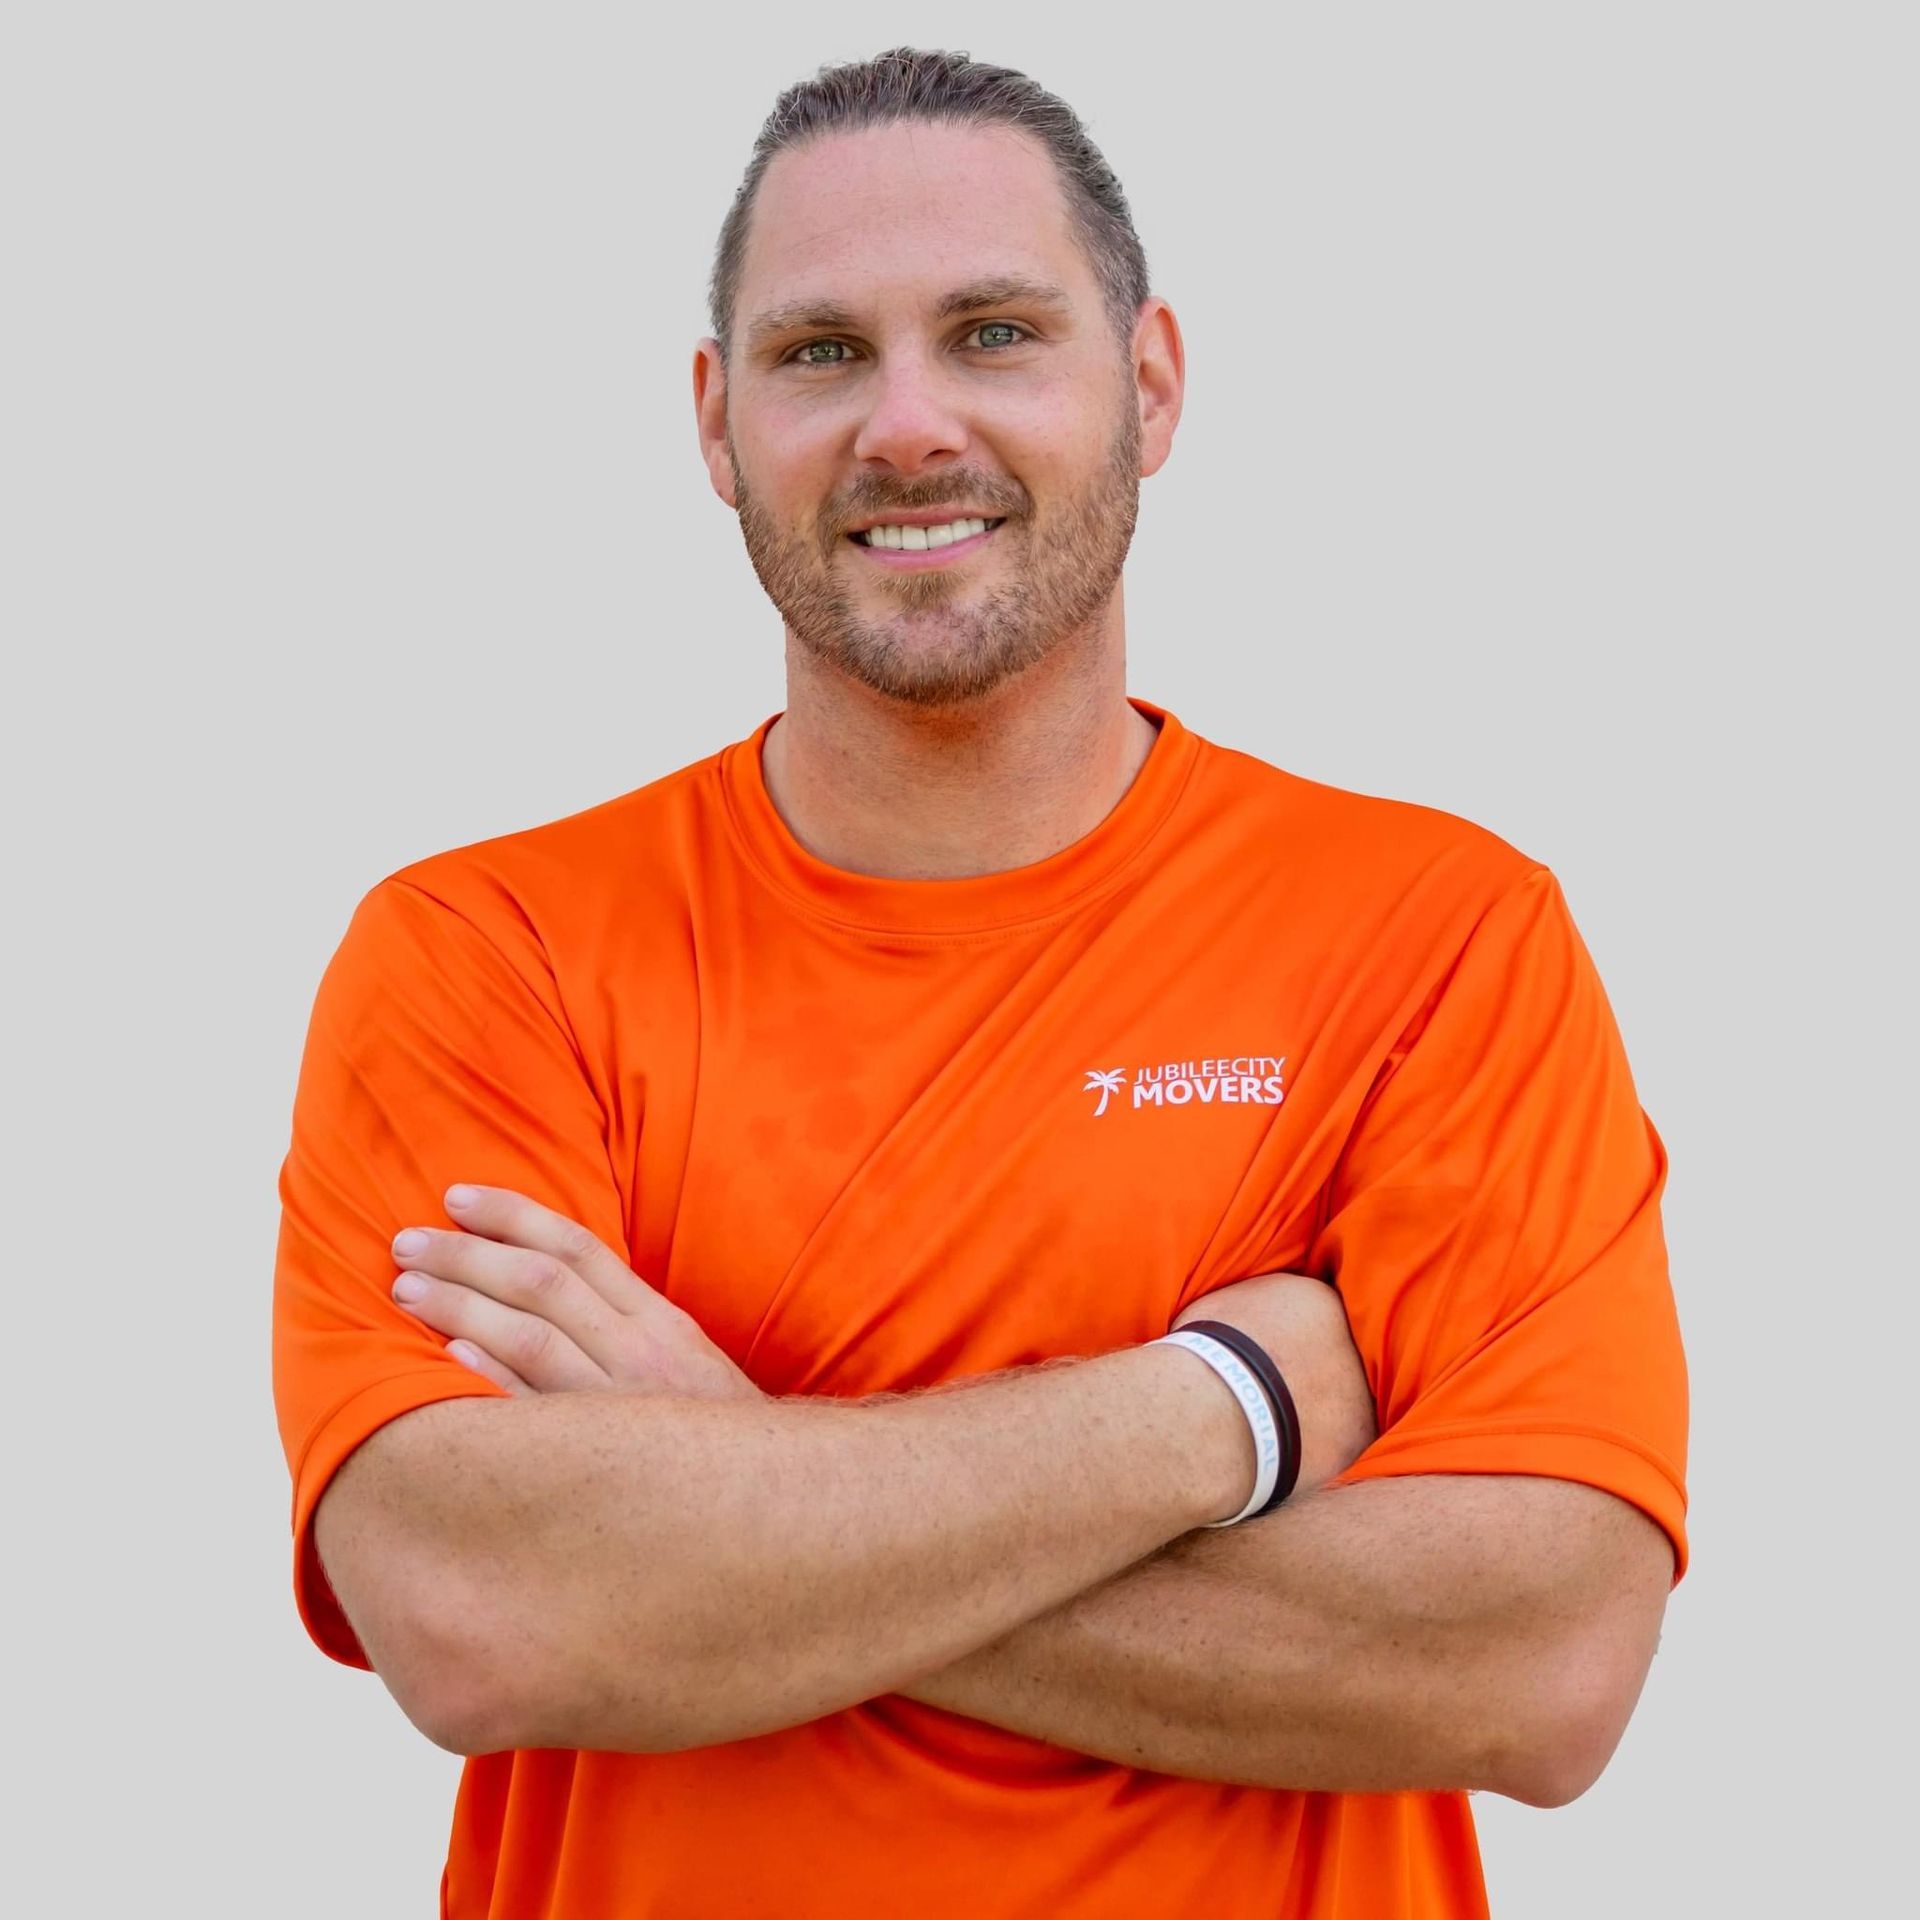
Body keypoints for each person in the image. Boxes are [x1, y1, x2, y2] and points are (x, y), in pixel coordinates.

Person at [272, 44, 1689, 1920]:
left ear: (1152, 383)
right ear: (716, 422)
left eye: (996, 331)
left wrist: (722, 1495)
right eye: (820, 353)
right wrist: (1223, 1413)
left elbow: (1541, 1666)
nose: (908, 424)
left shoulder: (1436, 940)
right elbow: (474, 1612)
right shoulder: (488, 956)